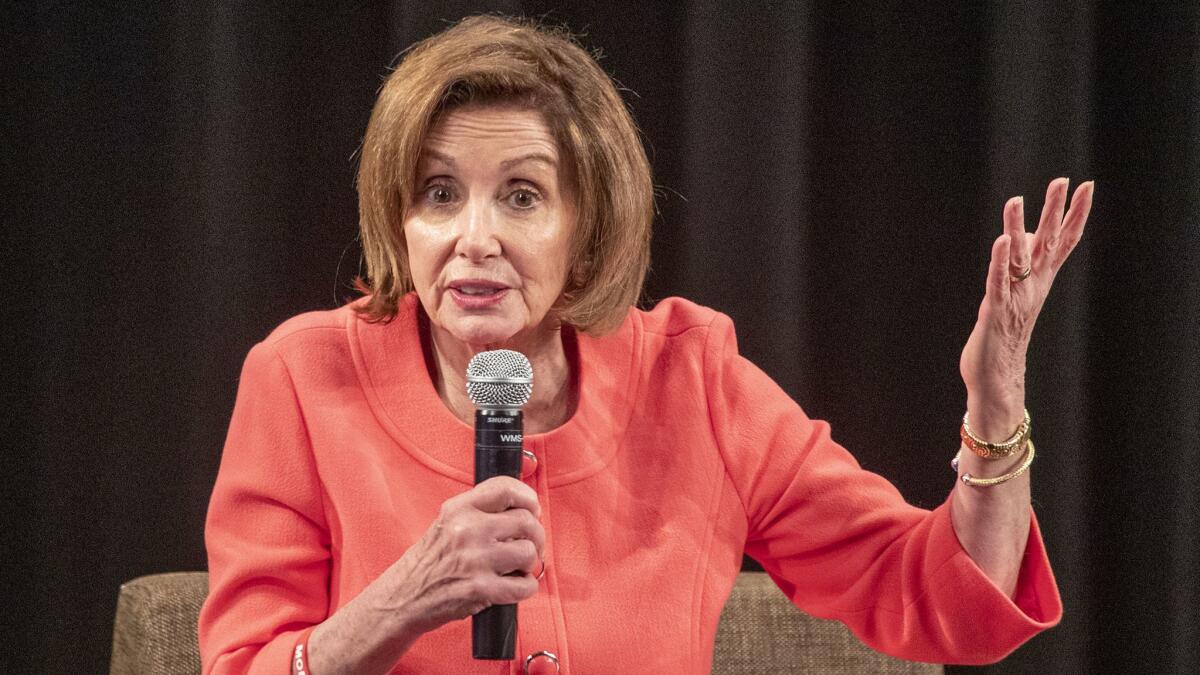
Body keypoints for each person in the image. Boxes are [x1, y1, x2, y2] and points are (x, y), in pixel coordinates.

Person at [198, 14, 1093, 675]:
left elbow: (942, 598)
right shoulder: (303, 379)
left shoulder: (692, 378)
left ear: (588, 228)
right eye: (438, 193)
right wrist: (400, 600)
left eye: (521, 195)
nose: (474, 237)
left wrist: (996, 402)